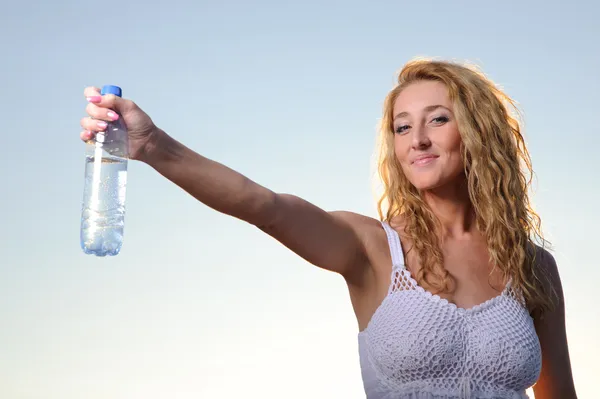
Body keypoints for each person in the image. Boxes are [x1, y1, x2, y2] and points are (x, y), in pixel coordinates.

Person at [79, 59, 577, 399]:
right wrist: (152, 146)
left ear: (478, 133)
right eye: (403, 127)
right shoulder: (372, 248)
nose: (418, 140)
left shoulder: (533, 266)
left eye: (438, 120)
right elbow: (264, 205)